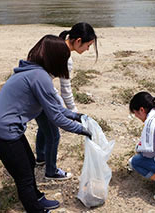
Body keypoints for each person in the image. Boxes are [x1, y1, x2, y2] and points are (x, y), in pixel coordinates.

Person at [0, 35, 92, 213]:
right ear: (55, 58)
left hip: (6, 130)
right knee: (24, 178)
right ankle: (36, 209)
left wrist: (76, 116)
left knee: (29, 162)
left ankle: (38, 198)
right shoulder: (39, 77)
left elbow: (54, 108)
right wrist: (83, 131)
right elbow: (56, 118)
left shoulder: (33, 71)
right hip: (2, 133)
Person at [35, 22, 98, 180]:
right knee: (54, 135)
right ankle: (51, 171)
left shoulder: (55, 44)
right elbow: (66, 90)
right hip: (39, 93)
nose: (88, 49)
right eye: (88, 45)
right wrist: (74, 112)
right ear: (78, 41)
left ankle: (41, 157)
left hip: (34, 88)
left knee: (44, 125)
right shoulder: (65, 57)